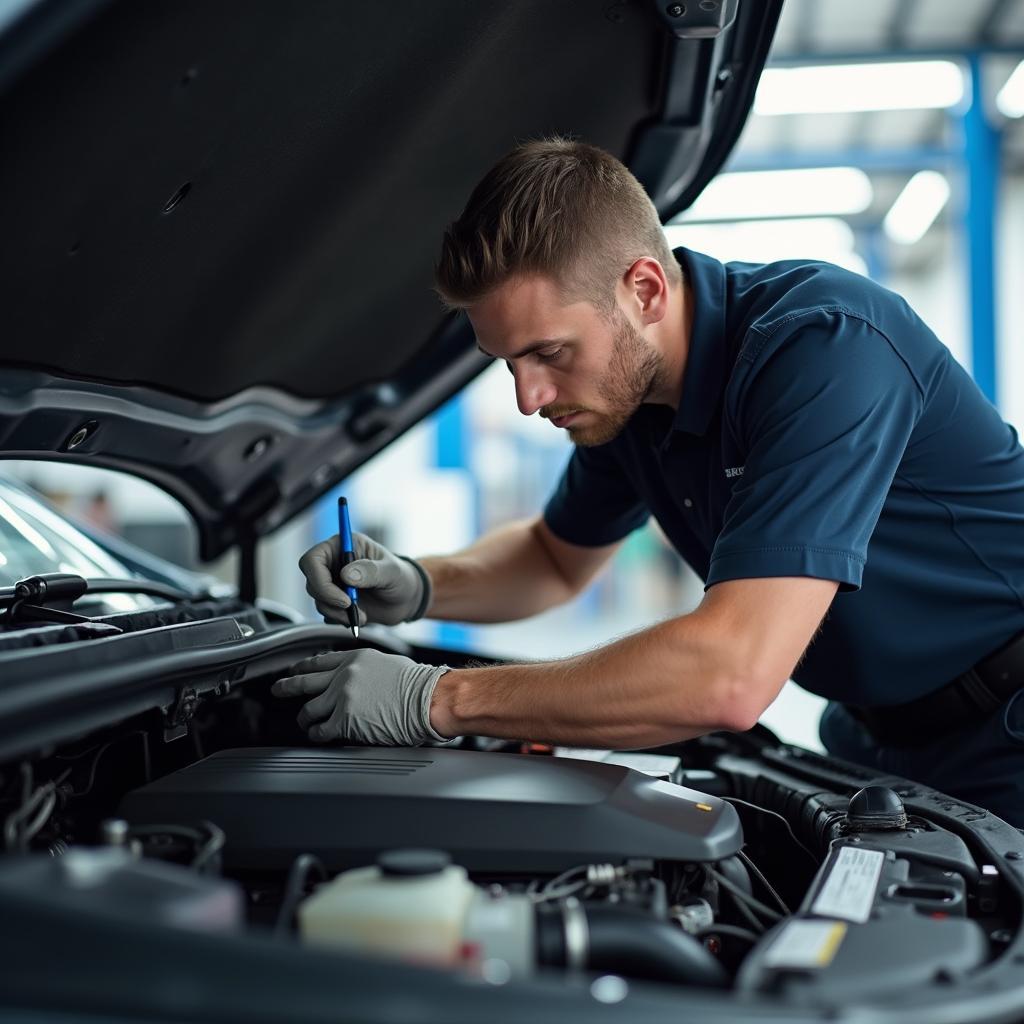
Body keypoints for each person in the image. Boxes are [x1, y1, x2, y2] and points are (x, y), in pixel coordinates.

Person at [272, 138, 1024, 825]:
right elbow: (554, 559)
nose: (528, 397)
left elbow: (729, 673)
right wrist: (413, 582)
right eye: (508, 363)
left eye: (550, 352)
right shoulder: (627, 401)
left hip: (1007, 733)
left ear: (645, 290)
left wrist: (436, 698)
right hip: (872, 739)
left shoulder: (826, 348)